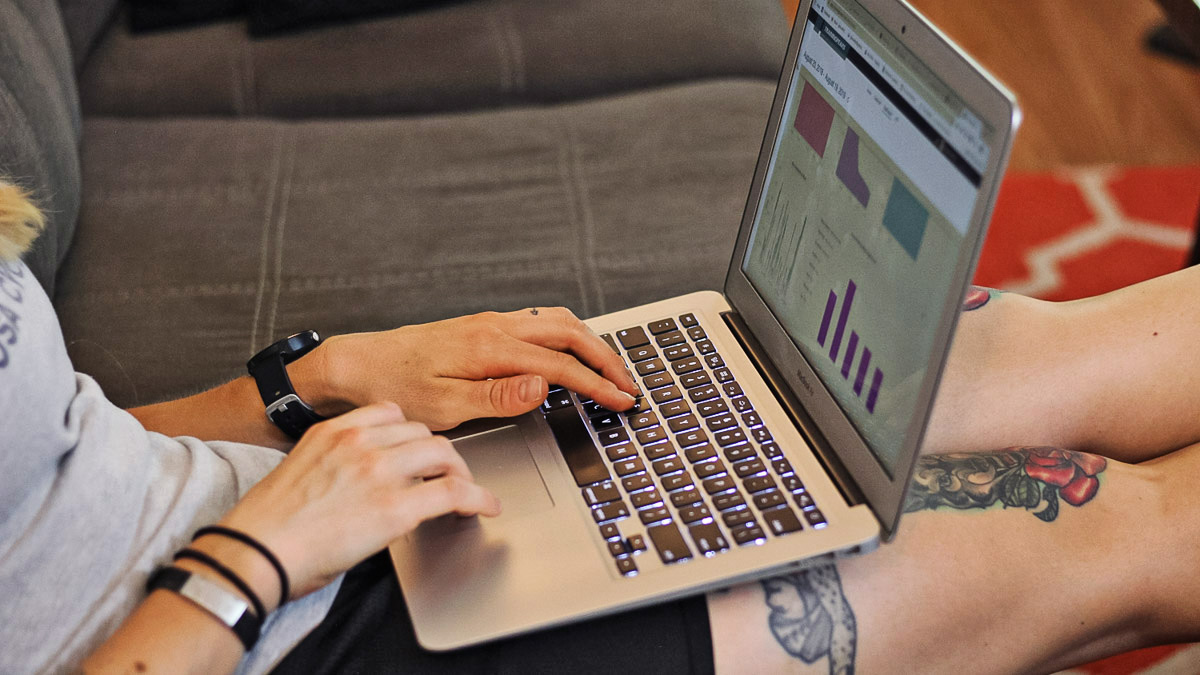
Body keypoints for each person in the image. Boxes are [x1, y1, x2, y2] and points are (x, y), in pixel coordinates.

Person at [3, 177, 1200, 675]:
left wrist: (318, 379)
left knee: (1063, 354)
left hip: (305, 505)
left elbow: (57, 454)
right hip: (288, 632)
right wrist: (251, 561)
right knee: (1104, 533)